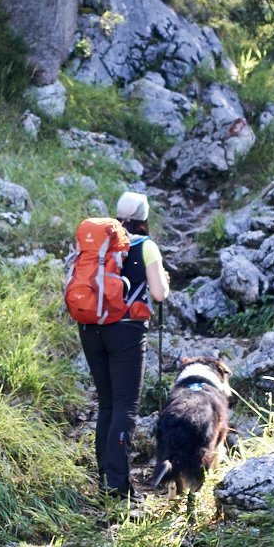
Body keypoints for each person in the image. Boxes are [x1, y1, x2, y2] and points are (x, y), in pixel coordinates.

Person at [79, 191, 169, 499]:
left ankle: (106, 475)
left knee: (106, 403)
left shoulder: (100, 244)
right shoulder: (146, 245)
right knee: (126, 406)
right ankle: (116, 486)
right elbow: (158, 294)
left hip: (90, 328)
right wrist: (163, 279)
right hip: (127, 331)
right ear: (144, 218)